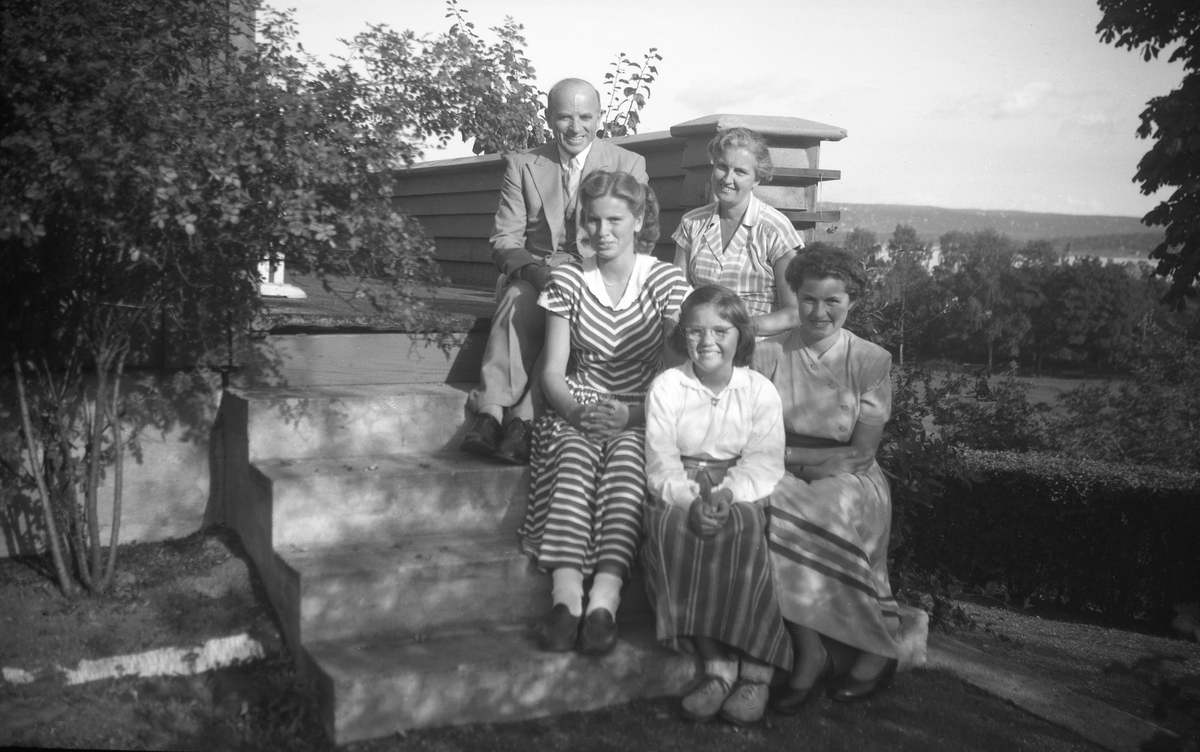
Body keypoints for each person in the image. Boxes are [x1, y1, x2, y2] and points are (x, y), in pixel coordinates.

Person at [518, 170, 688, 656]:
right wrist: (576, 414)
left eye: (615, 219)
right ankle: (566, 603)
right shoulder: (569, 279)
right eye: (592, 221)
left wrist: (632, 418)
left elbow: (677, 376)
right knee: (572, 466)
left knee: (627, 476)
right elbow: (552, 371)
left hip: (645, 408)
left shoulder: (665, 280)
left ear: (639, 221)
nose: (602, 231)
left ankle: (604, 605)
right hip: (580, 405)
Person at [460, 78, 649, 465]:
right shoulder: (524, 164)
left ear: (599, 118)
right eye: (564, 116)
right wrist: (532, 272)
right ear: (549, 118)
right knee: (517, 297)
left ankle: (523, 420)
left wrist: (588, 276)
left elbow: (636, 234)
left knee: (569, 303)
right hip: (536, 271)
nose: (575, 127)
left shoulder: (628, 164)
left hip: (594, 274)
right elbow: (505, 239)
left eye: (585, 116)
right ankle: (491, 412)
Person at [754, 243, 909, 711]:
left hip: (850, 478)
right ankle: (810, 649)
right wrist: (790, 460)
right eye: (807, 299)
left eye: (832, 302)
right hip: (780, 466)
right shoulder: (768, 354)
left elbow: (860, 454)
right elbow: (753, 436)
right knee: (767, 504)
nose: (818, 313)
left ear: (852, 302)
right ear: (794, 297)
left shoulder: (871, 361)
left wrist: (792, 458)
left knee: (816, 507)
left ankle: (876, 648)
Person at [641, 285, 791, 726]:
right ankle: (718, 666)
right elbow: (662, 462)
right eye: (695, 331)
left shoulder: (758, 390)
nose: (707, 341)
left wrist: (727, 495)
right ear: (682, 336)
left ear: (740, 334)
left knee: (742, 530)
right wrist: (690, 503)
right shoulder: (668, 386)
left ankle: (757, 669)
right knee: (672, 529)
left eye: (720, 330)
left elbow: (763, 459)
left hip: (739, 484)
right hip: (681, 485)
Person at [673, 127, 803, 338]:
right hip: (699, 344)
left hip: (757, 348)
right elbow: (676, 296)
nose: (727, 178)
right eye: (722, 167)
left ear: (757, 179)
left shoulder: (774, 229)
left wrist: (736, 329)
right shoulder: (692, 223)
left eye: (740, 172)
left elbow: (794, 313)